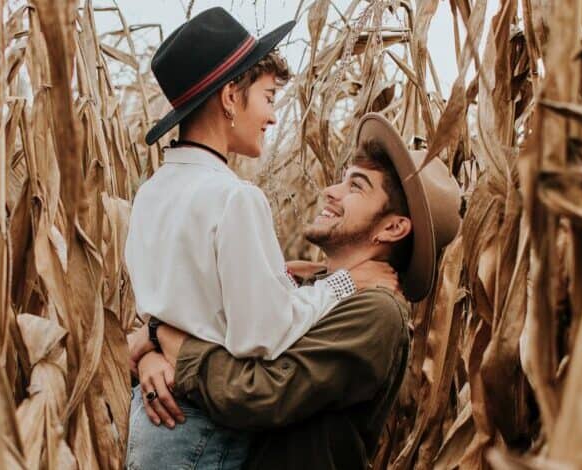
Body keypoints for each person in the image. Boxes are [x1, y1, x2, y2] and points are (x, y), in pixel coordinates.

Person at [124, 9, 397, 470]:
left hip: (151, 420)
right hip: (203, 432)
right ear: (231, 97)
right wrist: (344, 284)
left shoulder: (150, 193)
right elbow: (264, 336)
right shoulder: (235, 199)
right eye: (268, 97)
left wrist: (153, 342)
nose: (272, 116)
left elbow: (183, 304)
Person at [131, 113, 462, 469]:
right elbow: (209, 328)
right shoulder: (309, 289)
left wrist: (162, 336)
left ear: (393, 227)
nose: (330, 192)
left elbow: (259, 393)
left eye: (356, 186)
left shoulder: (376, 313)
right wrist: (151, 354)